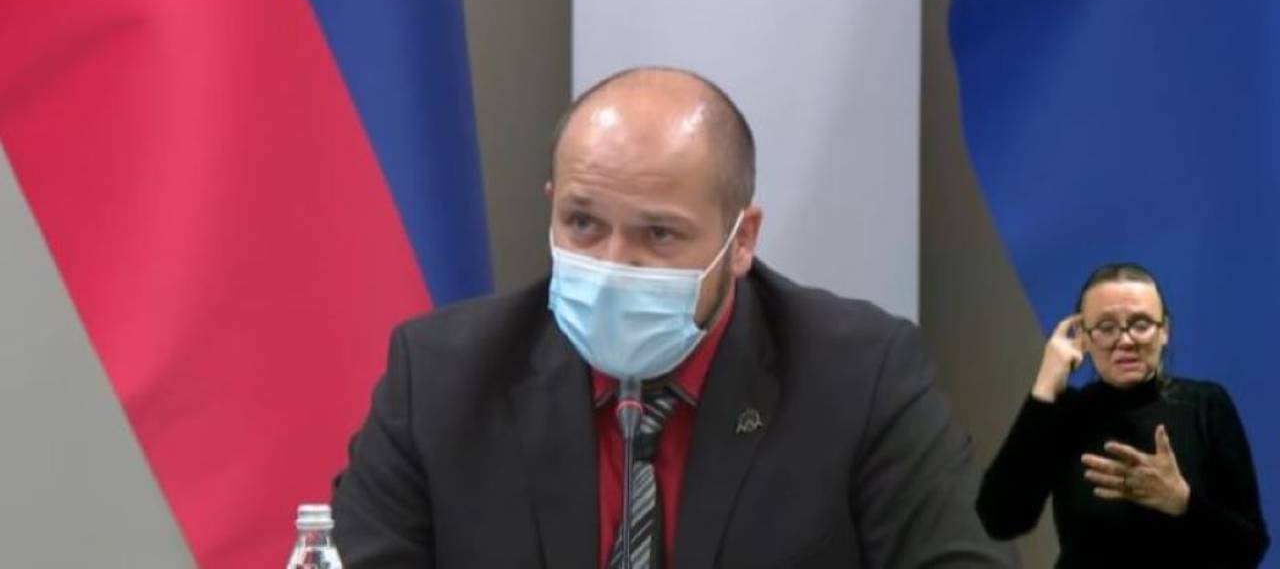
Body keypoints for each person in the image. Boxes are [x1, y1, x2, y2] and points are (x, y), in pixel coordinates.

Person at [331, 67, 1013, 567]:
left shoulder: (858, 378)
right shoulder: (441, 378)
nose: (613, 263)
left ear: (741, 240)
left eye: (658, 234)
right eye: (582, 223)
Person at [977, 263, 1270, 567]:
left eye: (1141, 324)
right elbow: (1000, 520)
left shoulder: (1205, 405)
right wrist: (1044, 387)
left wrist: (1182, 501)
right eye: (1106, 328)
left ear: (1164, 331)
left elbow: (1249, 547)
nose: (1126, 340)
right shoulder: (1066, 414)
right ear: (1084, 337)